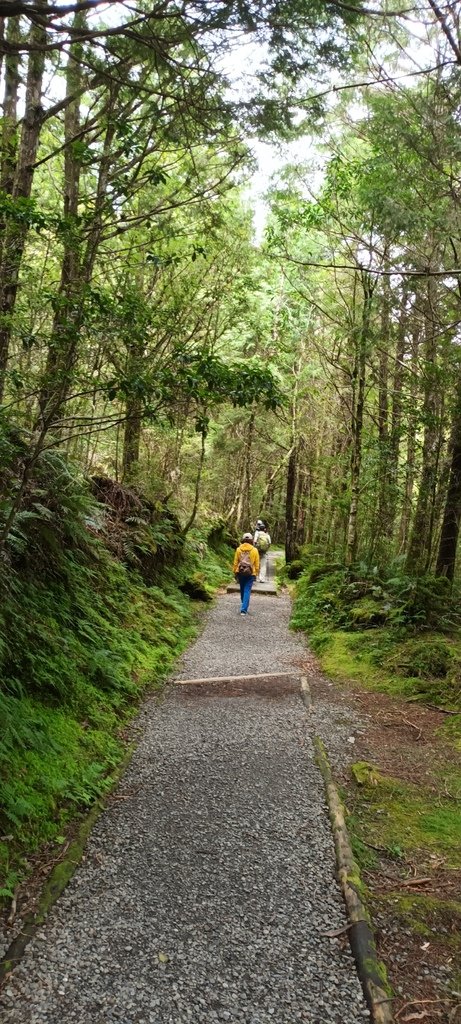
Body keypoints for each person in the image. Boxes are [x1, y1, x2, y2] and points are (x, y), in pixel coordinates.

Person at [233, 532, 259, 615]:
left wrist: (235, 572)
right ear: (251, 540)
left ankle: (244, 605)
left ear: (243, 540)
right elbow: (257, 564)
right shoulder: (254, 550)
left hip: (240, 572)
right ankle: (244, 609)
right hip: (250, 573)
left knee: (242, 589)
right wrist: (256, 573)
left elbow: (235, 562)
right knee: (247, 590)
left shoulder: (238, 549)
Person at [253, 519, 271, 583]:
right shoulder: (267, 535)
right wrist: (266, 549)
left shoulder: (257, 534)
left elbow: (254, 542)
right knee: (263, 565)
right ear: (264, 529)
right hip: (264, 552)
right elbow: (269, 543)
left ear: (259, 528)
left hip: (256, 551)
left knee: (255, 563)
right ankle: (261, 579)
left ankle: (254, 576)